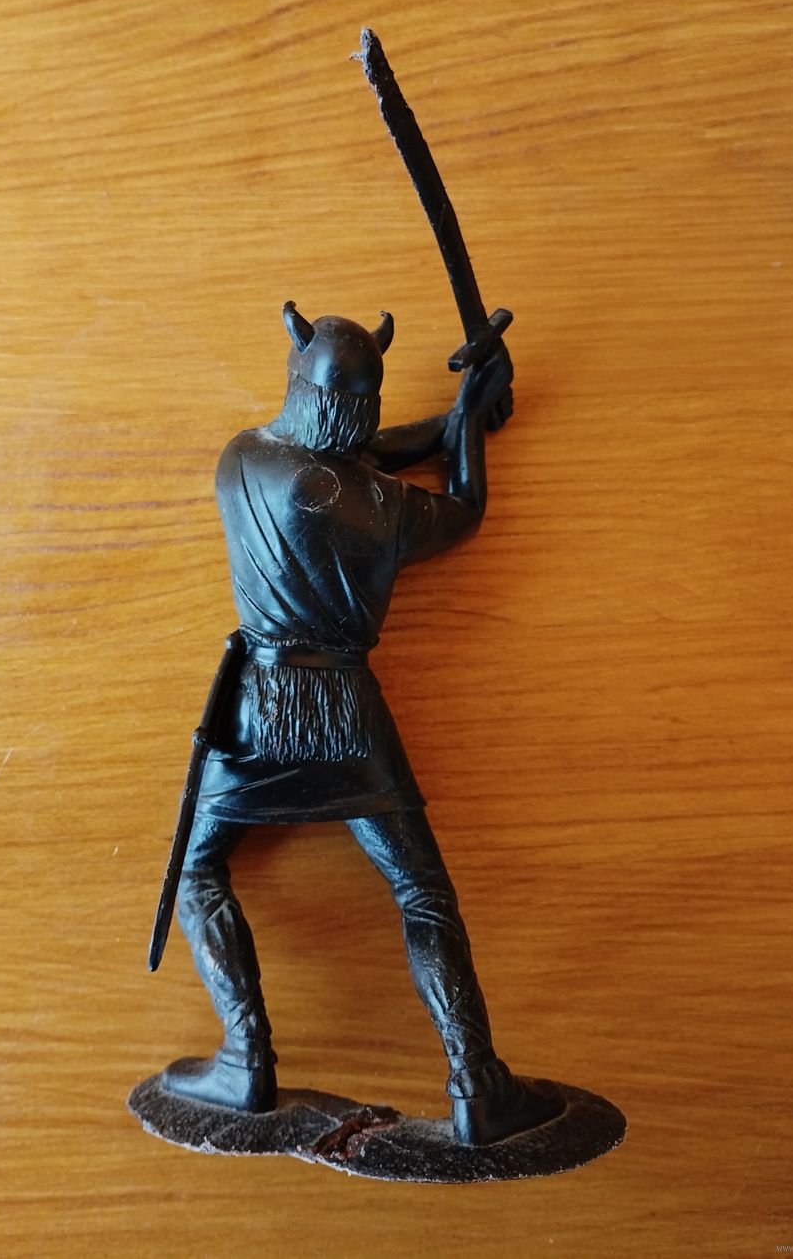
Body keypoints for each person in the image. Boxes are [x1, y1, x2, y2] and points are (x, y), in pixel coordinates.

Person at [162, 301, 562, 1144]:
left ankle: (245, 1055)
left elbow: (335, 453)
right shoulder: (385, 507)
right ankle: (478, 1085)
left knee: (197, 872)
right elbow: (459, 504)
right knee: (421, 893)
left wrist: (458, 413)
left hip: (258, 709)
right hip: (349, 714)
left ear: (297, 380)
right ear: (366, 406)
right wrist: (465, 425)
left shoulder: (240, 460)